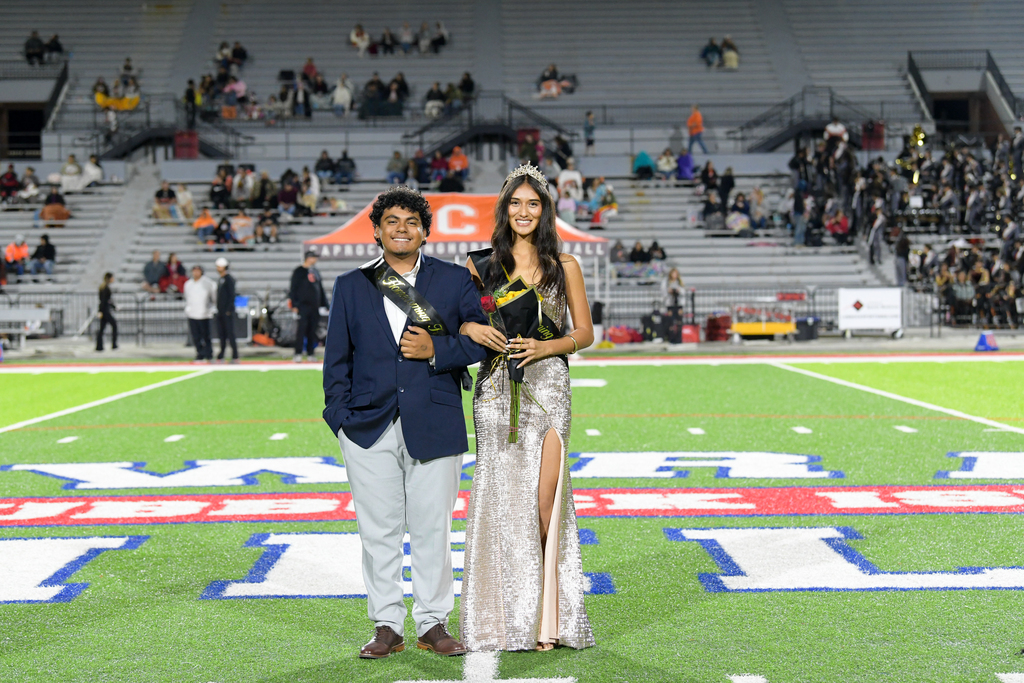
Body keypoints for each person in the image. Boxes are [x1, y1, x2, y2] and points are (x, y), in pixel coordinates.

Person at [321, 186, 487, 658]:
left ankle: (433, 622)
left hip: (434, 421)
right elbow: (337, 360)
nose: (401, 229)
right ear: (376, 230)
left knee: (433, 528)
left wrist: (439, 350)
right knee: (379, 532)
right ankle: (387, 624)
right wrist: (341, 419)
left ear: (425, 232)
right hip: (367, 427)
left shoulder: (455, 282)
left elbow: (480, 343)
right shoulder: (352, 285)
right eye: (391, 221)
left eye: (411, 222)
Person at [459, 164, 596, 651]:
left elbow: (585, 333)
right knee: (501, 503)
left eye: (532, 203)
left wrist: (547, 347)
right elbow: (459, 322)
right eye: (515, 203)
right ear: (504, 209)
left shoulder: (566, 266)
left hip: (549, 387)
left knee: (544, 503)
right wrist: (471, 329)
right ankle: (506, 618)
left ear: (545, 210)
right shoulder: (480, 265)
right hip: (496, 391)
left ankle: (548, 620)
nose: (523, 211)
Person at [288, 251, 327, 362]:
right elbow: (293, 288)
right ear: (308, 258)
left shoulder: (315, 272)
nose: (315, 260)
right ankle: (298, 353)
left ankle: (311, 353)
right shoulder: (299, 271)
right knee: (301, 330)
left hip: (314, 307)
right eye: (314, 257)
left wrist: (325, 304)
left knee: (312, 331)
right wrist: (294, 304)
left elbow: (320, 289)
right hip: (302, 306)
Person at [184, 265, 216, 363]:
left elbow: (213, 296)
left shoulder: (208, 283)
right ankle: (200, 353)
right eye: (194, 271)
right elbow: (187, 297)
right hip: (193, 313)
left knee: (206, 336)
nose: (196, 273)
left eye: (198, 271)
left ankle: (209, 354)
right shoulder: (188, 284)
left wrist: (212, 308)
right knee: (196, 336)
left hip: (204, 314)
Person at [215, 257, 238, 363]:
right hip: (220, 311)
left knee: (230, 333)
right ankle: (222, 354)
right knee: (222, 334)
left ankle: (235, 355)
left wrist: (228, 309)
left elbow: (231, 295)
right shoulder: (221, 279)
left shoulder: (229, 279)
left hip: (227, 312)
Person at [96, 273, 117, 351]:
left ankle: (99, 346)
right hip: (105, 311)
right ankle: (114, 344)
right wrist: (100, 311)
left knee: (102, 329)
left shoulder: (103, 287)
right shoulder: (105, 288)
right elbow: (104, 301)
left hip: (104, 310)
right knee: (114, 325)